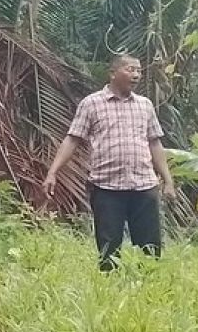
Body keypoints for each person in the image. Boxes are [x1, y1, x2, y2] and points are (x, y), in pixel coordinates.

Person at [44, 54, 176, 270]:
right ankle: (109, 288)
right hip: (106, 187)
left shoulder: (145, 105)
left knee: (150, 248)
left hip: (144, 185)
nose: (136, 75)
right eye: (130, 69)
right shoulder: (92, 104)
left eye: (138, 71)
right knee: (108, 247)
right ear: (113, 73)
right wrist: (53, 172)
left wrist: (168, 180)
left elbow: (155, 143)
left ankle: (150, 289)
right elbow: (73, 138)